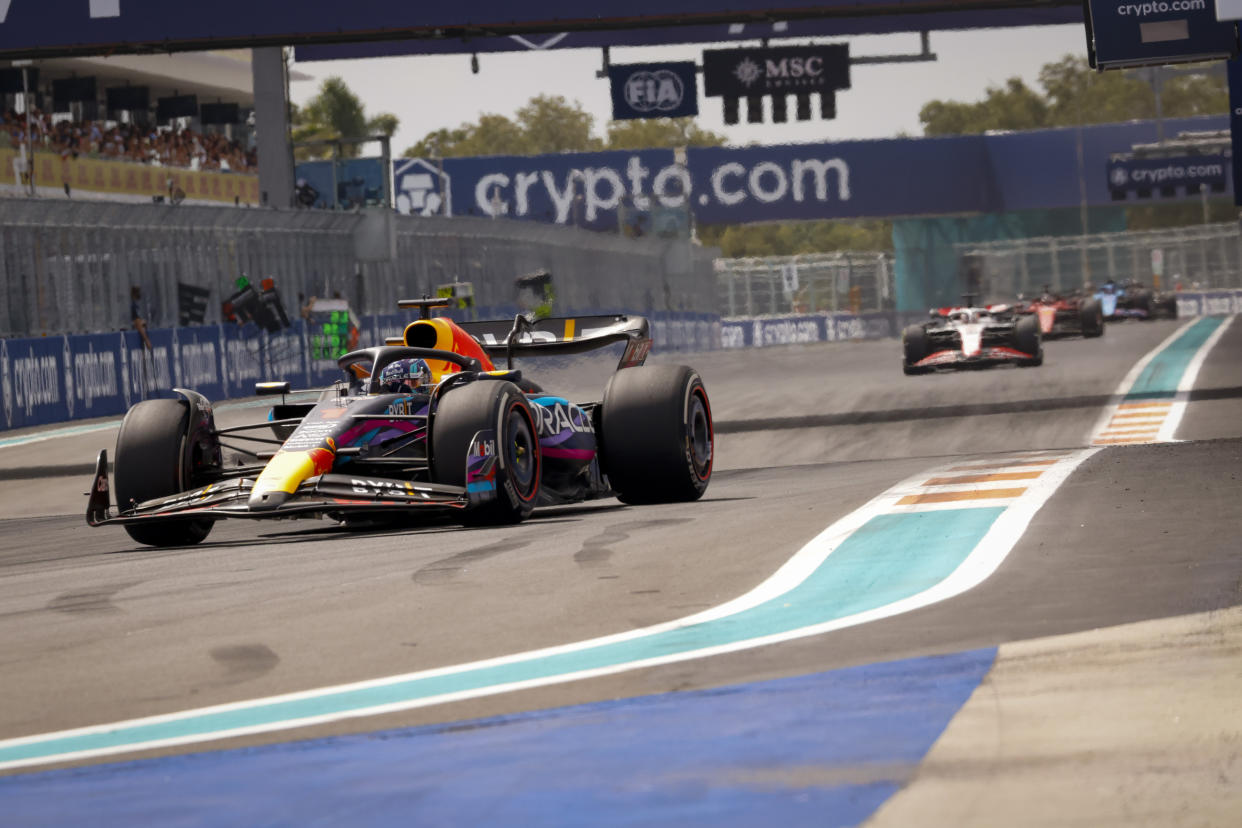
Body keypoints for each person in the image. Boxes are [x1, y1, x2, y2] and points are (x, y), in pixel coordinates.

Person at [130, 285, 152, 350]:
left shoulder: (136, 305)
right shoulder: (134, 306)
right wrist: (146, 340)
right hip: (135, 339)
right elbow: (137, 324)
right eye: (138, 292)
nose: (140, 294)